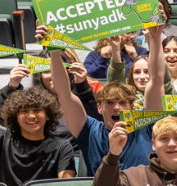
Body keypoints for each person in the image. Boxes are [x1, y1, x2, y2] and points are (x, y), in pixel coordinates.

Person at [46, 25, 166, 175]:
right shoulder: (90, 132)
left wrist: (155, 39)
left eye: (122, 103)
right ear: (99, 108)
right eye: (109, 102)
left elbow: (156, 79)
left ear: (132, 106)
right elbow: (63, 92)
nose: (116, 107)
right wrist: (54, 50)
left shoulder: (146, 125)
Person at [0, 55, 75, 186]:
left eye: (37, 111)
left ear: (48, 115)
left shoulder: (62, 147)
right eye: (24, 112)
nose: (32, 116)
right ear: (15, 116)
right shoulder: (2, 140)